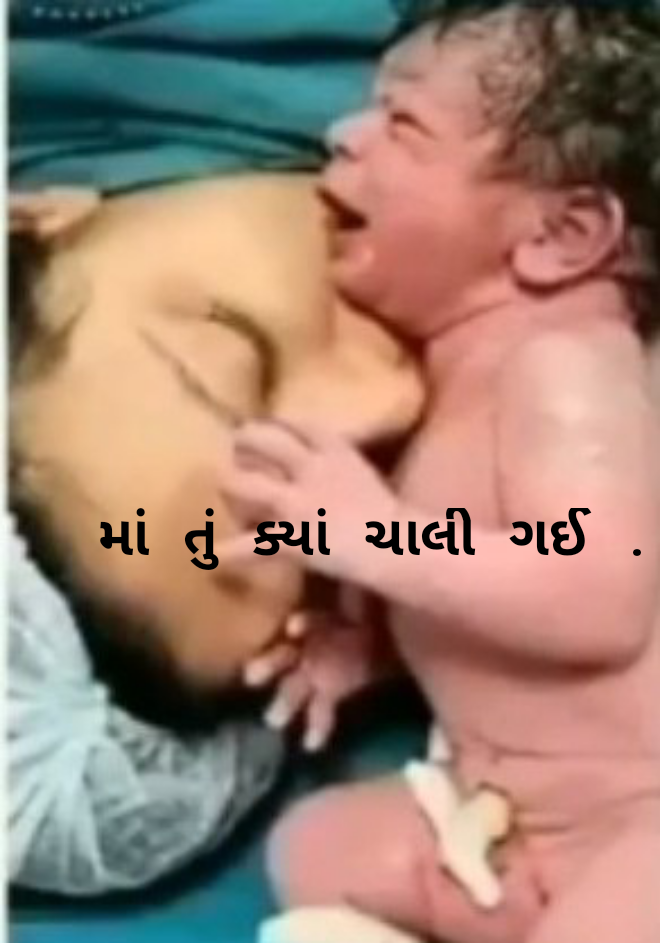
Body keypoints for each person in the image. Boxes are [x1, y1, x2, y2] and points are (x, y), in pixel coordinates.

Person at [216, 4, 660, 941]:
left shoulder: (567, 367)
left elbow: (599, 593)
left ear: (563, 233)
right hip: (517, 824)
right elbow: (489, 578)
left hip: (642, 821)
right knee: (317, 847)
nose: (343, 132)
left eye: (404, 122)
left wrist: (376, 542)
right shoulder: (449, 388)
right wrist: (372, 648)